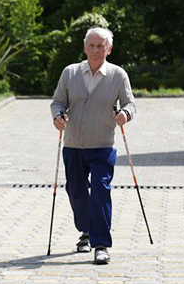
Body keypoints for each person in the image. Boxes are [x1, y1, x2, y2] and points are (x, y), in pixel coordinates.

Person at [50, 26, 136, 265]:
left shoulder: (118, 75)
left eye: (101, 46)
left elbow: (130, 104)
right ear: (84, 47)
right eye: (92, 45)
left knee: (100, 189)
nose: (96, 50)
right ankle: (86, 231)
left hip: (103, 145)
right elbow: (58, 102)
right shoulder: (70, 73)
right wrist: (58, 116)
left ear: (109, 49)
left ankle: (101, 244)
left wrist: (125, 115)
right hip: (74, 144)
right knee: (75, 191)